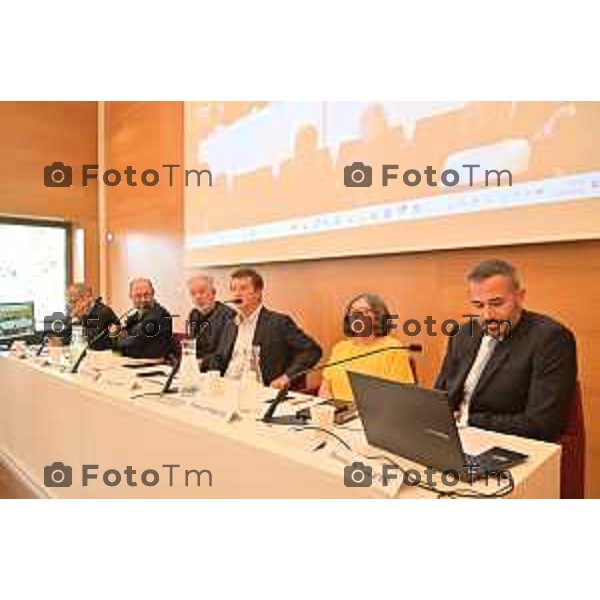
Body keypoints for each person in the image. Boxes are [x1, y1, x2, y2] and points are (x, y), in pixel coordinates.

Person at [435, 259, 577, 442]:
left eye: (497, 303)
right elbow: (440, 394)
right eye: (478, 305)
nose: (487, 315)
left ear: (520, 296)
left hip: (507, 443)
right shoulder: (463, 334)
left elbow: (542, 425)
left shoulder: (551, 339)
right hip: (452, 438)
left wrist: (466, 420)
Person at [203, 268, 322, 389]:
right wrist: (200, 362)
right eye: (233, 289)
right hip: (226, 387)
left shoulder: (278, 323)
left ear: (258, 292)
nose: (237, 294)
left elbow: (312, 351)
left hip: (259, 391)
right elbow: (221, 358)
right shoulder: (229, 324)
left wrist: (287, 377)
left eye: (243, 288)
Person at [318, 293, 414, 404]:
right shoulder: (340, 348)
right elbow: (325, 388)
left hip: (372, 416)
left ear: (378, 316)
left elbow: (401, 396)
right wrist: (331, 409)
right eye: (353, 311)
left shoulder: (393, 348)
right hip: (337, 414)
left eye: (364, 311)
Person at [117, 278, 176, 360]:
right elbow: (119, 341)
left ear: (153, 293)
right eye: (138, 296)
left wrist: (122, 337)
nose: (143, 299)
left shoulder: (159, 316)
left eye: (146, 295)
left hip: (154, 366)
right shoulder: (135, 316)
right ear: (131, 296)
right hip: (135, 362)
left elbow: (130, 342)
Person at [186, 274, 236, 365]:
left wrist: (201, 363)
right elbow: (192, 346)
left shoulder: (228, 315)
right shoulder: (193, 314)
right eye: (193, 293)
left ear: (213, 292)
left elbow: (224, 355)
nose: (197, 297)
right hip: (195, 368)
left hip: (215, 370)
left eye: (202, 292)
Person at [66, 283, 118, 351]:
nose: (71, 306)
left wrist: (77, 320)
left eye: (74, 301)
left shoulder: (103, 312)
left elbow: (92, 340)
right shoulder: (82, 313)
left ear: (87, 298)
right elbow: (66, 336)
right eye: (69, 302)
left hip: (106, 354)